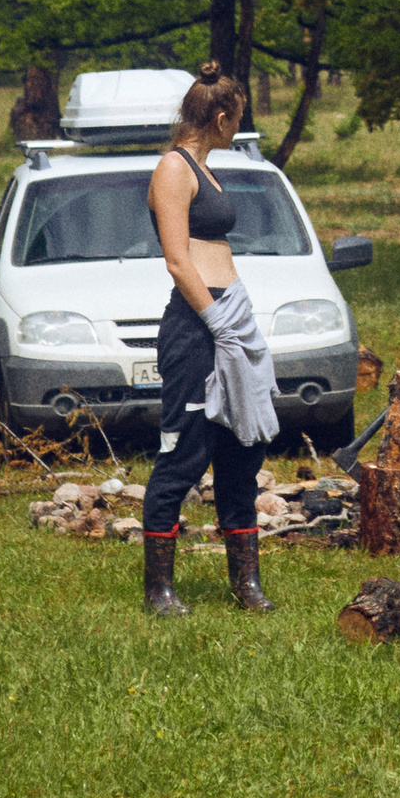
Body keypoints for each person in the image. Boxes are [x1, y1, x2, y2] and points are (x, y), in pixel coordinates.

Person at [140, 63, 280, 618]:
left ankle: (246, 584)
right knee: (186, 453)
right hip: (197, 327)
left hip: (229, 319)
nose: (236, 129)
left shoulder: (204, 167)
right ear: (221, 118)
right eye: (236, 120)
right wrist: (216, 320)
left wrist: (235, 320)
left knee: (242, 451)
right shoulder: (174, 169)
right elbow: (178, 259)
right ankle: (159, 591)